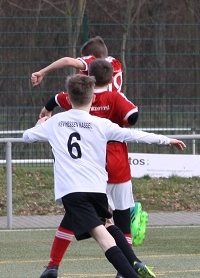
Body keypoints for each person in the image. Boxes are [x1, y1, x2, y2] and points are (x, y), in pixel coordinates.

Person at [22, 74, 185, 278]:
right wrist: (166, 140)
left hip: (73, 191)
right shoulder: (100, 123)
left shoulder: (56, 122)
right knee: (109, 224)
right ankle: (136, 262)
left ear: (68, 98)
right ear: (91, 98)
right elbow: (135, 135)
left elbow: (26, 137)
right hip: (97, 189)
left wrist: (41, 123)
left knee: (103, 238)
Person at [30, 36, 147, 241]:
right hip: (116, 148)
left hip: (93, 154)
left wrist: (43, 73)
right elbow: (132, 117)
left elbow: (66, 68)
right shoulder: (115, 70)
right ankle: (125, 241)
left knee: (83, 208)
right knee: (119, 209)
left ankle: (63, 253)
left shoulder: (87, 94)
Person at [36, 60, 141, 278]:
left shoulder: (76, 95)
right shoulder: (115, 97)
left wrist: (47, 110)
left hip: (89, 169)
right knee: (121, 218)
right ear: (112, 77)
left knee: (74, 216)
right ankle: (127, 271)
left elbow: (56, 98)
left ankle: (53, 263)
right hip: (117, 165)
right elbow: (132, 116)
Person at [30, 35, 124, 92]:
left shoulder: (94, 62)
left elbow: (67, 61)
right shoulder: (115, 63)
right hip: (115, 111)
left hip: (97, 111)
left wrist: (42, 72)